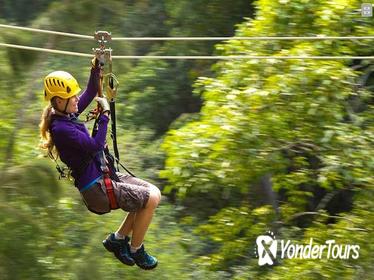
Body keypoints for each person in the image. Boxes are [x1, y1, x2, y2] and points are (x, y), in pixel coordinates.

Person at [39, 58, 161, 270]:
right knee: (149, 200)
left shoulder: (66, 115)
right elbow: (95, 145)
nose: (77, 99)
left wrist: (96, 69)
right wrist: (104, 115)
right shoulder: (62, 129)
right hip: (97, 189)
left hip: (104, 176)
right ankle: (135, 249)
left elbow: (88, 92)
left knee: (153, 193)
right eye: (71, 97)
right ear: (59, 101)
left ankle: (118, 238)